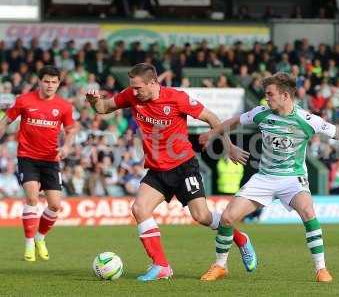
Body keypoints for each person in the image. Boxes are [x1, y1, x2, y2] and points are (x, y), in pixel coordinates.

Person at [198, 72, 339, 282]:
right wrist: (214, 136)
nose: (267, 98)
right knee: (228, 217)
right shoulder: (261, 112)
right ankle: (221, 265)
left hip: (293, 179)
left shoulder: (307, 120)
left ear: (285, 95)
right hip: (265, 177)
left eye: (270, 94)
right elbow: (234, 121)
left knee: (308, 212)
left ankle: (321, 269)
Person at [85, 63, 257, 282]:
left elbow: (212, 118)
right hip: (157, 169)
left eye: (138, 88)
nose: (134, 92)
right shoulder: (131, 95)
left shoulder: (177, 98)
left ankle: (240, 238)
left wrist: (228, 145)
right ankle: (161, 266)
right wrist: (93, 102)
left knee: (202, 216)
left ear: (153, 83)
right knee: (139, 209)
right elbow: (103, 108)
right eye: (132, 88)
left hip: (183, 167)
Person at [0, 65, 77, 262]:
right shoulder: (24, 100)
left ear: (59, 84)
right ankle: (28, 244)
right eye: (46, 81)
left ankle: (39, 238)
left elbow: (71, 130)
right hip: (27, 157)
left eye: (54, 82)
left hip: (51, 160)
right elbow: (5, 121)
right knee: (33, 199)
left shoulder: (64, 106)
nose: (50, 85)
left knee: (55, 205)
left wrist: (67, 147)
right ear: (39, 81)